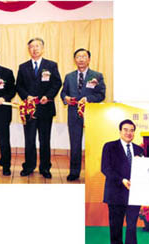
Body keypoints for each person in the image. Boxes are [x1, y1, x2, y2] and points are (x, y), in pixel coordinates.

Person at [16, 37, 62, 178]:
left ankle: (45, 168)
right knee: (29, 139)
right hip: (29, 109)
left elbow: (57, 83)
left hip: (45, 108)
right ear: (28, 49)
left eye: (37, 46)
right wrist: (26, 97)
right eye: (31, 47)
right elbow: (19, 86)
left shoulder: (51, 65)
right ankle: (29, 166)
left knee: (44, 140)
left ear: (43, 48)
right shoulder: (23, 67)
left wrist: (47, 96)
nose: (34, 49)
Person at [60, 48, 106, 181]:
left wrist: (89, 99)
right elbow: (63, 92)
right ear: (75, 60)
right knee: (75, 144)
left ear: (89, 59)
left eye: (83, 56)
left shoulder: (97, 76)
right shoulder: (69, 76)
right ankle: (74, 172)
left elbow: (101, 94)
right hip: (74, 113)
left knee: (92, 143)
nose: (80, 59)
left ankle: (94, 173)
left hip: (91, 114)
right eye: (78, 57)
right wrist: (66, 98)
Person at [101, 119, 144, 244]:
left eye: (131, 130)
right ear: (120, 131)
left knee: (131, 228)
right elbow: (105, 168)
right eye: (125, 130)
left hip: (134, 195)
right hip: (115, 194)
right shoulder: (109, 146)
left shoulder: (139, 150)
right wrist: (122, 180)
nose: (128, 133)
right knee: (116, 228)